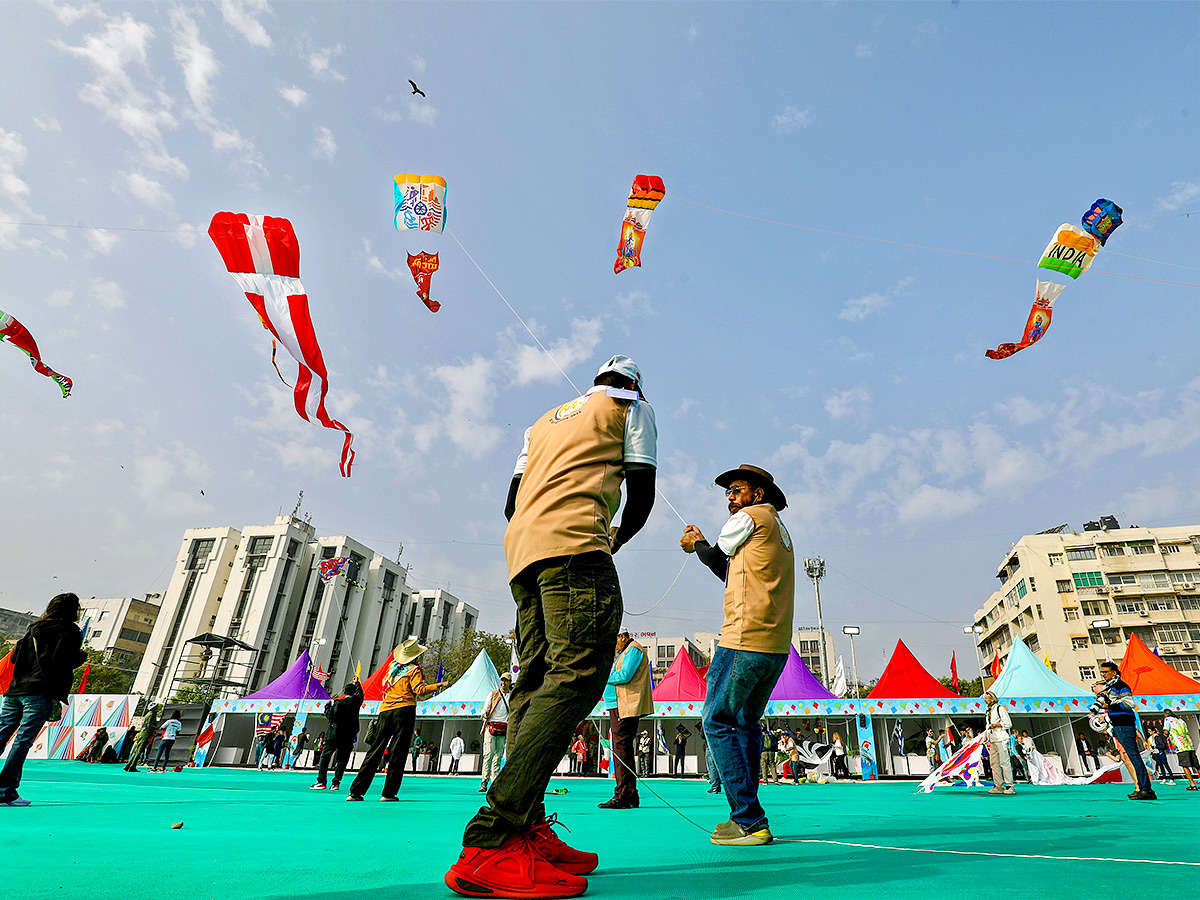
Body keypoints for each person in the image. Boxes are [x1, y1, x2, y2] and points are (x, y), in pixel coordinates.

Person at [446, 354, 657, 899]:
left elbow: (511, 500)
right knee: (579, 676)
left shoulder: (542, 420)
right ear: (634, 383)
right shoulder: (631, 406)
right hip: (577, 549)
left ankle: (527, 827)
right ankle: (492, 838)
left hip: (523, 552)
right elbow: (642, 492)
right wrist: (614, 539)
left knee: (534, 681)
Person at [681, 463, 794, 847]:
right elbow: (729, 572)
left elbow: (716, 557)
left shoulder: (748, 517)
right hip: (775, 646)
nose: (730, 498)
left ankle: (747, 819)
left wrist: (695, 543)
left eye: (737, 490)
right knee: (745, 723)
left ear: (757, 494)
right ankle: (746, 817)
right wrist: (703, 548)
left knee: (717, 720)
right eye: (728, 492)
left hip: (744, 639)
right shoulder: (778, 529)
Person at [0, 593, 88, 806]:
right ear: (74, 610)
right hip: (40, 692)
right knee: (22, 741)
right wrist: (81, 656)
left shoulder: (34, 628)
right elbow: (62, 661)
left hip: (15, 689)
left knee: (1, 735)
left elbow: (14, 657)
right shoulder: (70, 631)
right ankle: (5, 792)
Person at [347, 640, 444, 802]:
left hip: (385, 711)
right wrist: (438, 685)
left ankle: (356, 791)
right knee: (398, 752)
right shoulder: (415, 670)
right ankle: (388, 793)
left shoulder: (391, 668)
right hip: (404, 711)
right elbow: (419, 690)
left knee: (375, 751)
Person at [599, 629, 653, 809]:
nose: (614, 647)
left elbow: (625, 675)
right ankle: (629, 793)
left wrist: (601, 675)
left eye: (614, 642)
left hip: (623, 706)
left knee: (621, 748)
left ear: (622, 637)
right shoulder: (627, 651)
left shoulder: (633, 650)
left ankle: (622, 794)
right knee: (624, 749)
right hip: (620, 705)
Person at [1095, 662, 1154, 800]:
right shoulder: (1109, 688)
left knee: (1134, 757)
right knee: (1130, 757)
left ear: (1113, 673)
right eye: (1102, 672)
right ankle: (1141, 787)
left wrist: (1109, 704)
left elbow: (1129, 704)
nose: (1103, 674)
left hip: (1125, 725)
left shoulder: (1121, 686)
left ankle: (1145, 789)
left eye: (1105, 672)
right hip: (1118, 725)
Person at [312, 681, 364, 791]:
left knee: (325, 758)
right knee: (342, 759)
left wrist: (327, 708)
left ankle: (321, 781)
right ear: (354, 692)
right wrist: (358, 683)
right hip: (348, 735)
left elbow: (331, 716)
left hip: (334, 734)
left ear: (344, 692)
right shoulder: (356, 702)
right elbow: (361, 694)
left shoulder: (338, 703)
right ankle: (336, 782)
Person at [479, 672, 513, 793]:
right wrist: (485, 714)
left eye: (506, 680)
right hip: (491, 727)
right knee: (488, 754)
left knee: (498, 755)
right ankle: (484, 781)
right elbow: (484, 710)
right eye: (502, 680)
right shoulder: (493, 694)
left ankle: (495, 782)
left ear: (510, 682)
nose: (503, 683)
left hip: (504, 727)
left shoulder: (512, 696)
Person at [984, 691, 1015, 794]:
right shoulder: (988, 711)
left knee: (1004, 762)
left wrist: (997, 725)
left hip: (1001, 739)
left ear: (992, 699)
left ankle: (1010, 786)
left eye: (986, 698)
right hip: (992, 739)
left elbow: (1008, 723)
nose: (985, 700)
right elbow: (987, 726)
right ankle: (998, 785)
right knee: (994, 763)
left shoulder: (1000, 709)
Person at [1163, 713, 1199, 790]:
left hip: (1180, 745)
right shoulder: (1181, 720)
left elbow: (1166, 731)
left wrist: (1166, 735)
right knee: (1197, 765)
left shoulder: (1168, 720)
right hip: (1189, 744)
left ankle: (1192, 784)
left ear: (1166, 714)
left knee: (1185, 765)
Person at [124, 706, 160, 773]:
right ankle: (132, 767)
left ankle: (128, 765)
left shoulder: (149, 714)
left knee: (136, 751)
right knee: (139, 751)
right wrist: (158, 727)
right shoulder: (152, 714)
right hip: (146, 733)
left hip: (143, 733)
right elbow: (149, 725)